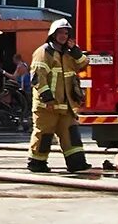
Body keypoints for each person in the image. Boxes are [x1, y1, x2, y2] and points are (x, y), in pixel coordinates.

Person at [26, 18, 88, 173]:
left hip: (66, 106)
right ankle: (37, 163)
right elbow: (37, 78)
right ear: (53, 34)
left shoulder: (68, 53)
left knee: (71, 134)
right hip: (48, 105)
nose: (63, 35)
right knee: (44, 135)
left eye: (66, 33)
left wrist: (75, 51)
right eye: (60, 32)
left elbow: (83, 64)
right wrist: (48, 98)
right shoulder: (44, 52)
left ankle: (77, 163)